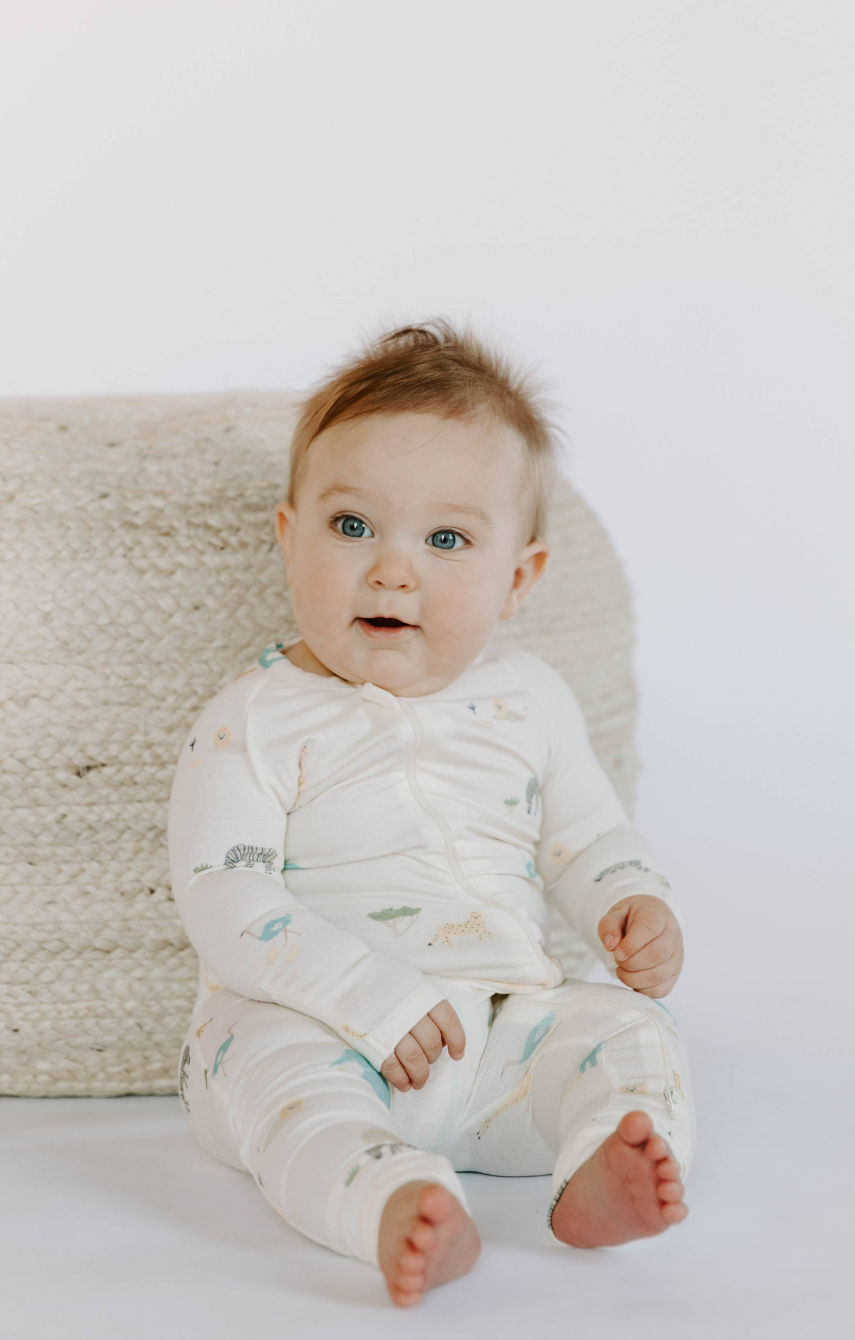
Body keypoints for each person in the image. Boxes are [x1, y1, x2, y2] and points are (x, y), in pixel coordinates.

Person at [167, 321, 693, 1307]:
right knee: (286, 1089)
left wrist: (629, 901)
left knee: (632, 1027)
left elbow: (586, 834)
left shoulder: (530, 699)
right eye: (351, 527)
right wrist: (367, 996)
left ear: (518, 579)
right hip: (321, 1027)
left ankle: (604, 1154)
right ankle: (391, 1196)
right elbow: (224, 896)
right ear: (288, 537)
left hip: (499, 1040)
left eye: (446, 540)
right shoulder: (254, 718)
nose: (392, 570)